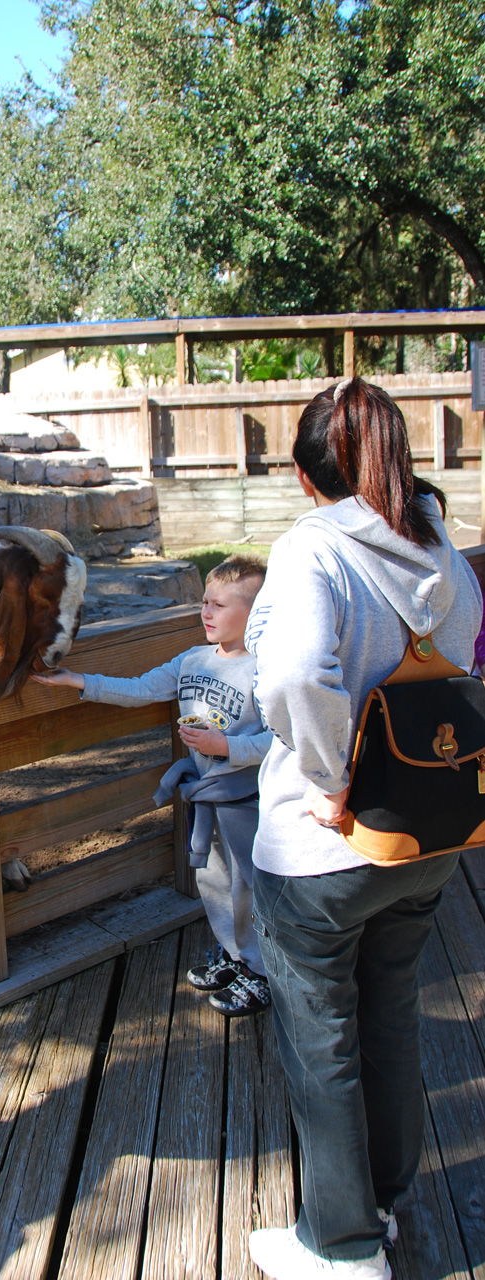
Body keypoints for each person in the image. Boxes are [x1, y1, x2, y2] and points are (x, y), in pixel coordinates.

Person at [245, 377, 482, 1280]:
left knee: (320, 1040)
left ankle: (340, 1248)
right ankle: (379, 1201)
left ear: (309, 481)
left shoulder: (312, 548)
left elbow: (295, 676)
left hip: (322, 848)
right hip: (426, 835)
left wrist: (323, 777)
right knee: (390, 1017)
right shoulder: (441, 550)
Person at [33, 555, 273, 1016]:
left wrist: (227, 746)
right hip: (205, 801)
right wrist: (77, 681)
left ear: (255, 613)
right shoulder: (193, 660)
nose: (206, 613)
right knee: (214, 880)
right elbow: (142, 688)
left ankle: (262, 972)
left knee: (252, 887)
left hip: (250, 804)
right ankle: (235, 953)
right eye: (204, 602)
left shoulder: (266, 670)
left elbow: (283, 740)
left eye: (219, 605)